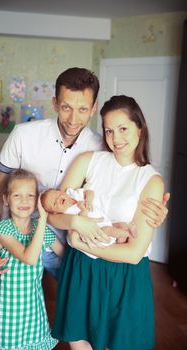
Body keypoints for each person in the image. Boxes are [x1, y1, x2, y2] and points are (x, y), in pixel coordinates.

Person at [0, 67, 169, 280]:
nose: (73, 119)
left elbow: (125, 185)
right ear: (55, 104)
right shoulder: (23, 135)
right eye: (66, 107)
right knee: (17, 303)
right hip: (21, 238)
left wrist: (155, 212)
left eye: (82, 109)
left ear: (93, 109)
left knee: (70, 306)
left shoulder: (103, 147)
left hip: (72, 246)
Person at [51, 95, 165, 350]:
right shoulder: (89, 161)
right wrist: (77, 224)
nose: (116, 138)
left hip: (123, 275)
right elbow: (53, 212)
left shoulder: (150, 180)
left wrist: (77, 241)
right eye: (109, 131)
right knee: (78, 340)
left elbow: (134, 253)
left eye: (123, 128)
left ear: (140, 127)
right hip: (81, 270)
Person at [0, 169, 63, 350]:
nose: (24, 201)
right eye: (17, 195)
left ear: (37, 199)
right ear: (6, 199)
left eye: (30, 195)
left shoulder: (40, 229)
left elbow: (66, 255)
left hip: (33, 311)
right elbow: (29, 258)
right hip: (6, 312)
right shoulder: (1, 229)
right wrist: (43, 218)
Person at [40, 187, 137, 258]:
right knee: (109, 230)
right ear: (56, 212)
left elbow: (90, 192)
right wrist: (84, 210)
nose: (57, 199)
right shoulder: (67, 213)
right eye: (54, 203)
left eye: (57, 194)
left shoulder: (73, 194)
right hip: (96, 234)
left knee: (121, 224)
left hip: (106, 221)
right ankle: (129, 233)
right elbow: (81, 222)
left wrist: (88, 200)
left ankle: (123, 236)